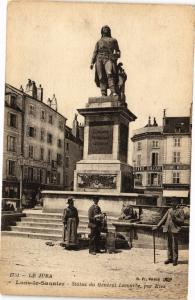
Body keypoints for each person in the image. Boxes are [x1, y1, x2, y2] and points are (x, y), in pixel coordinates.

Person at [153, 197, 185, 266]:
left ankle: (175, 260)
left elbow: (182, 221)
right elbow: (163, 219)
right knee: (169, 245)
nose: (172, 204)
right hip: (168, 229)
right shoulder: (169, 210)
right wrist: (157, 226)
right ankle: (169, 258)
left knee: (174, 245)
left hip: (175, 230)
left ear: (177, 203)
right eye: (171, 203)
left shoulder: (180, 211)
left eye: (173, 202)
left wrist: (175, 218)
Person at [90, 25, 120, 96]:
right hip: (99, 59)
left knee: (109, 73)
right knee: (101, 77)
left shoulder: (113, 40)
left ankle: (113, 91)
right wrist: (92, 62)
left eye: (107, 28)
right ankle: (103, 94)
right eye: (104, 28)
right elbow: (95, 52)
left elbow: (118, 51)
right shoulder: (99, 42)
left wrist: (115, 56)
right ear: (102, 31)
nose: (106, 29)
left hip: (108, 58)